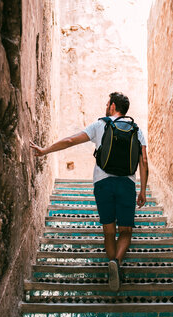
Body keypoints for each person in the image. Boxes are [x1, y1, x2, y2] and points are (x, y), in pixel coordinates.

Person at [30, 92, 148, 291]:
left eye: (107, 103)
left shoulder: (99, 125)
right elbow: (143, 161)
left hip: (103, 184)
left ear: (112, 106)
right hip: (127, 183)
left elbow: (70, 141)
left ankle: (112, 265)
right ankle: (117, 264)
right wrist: (142, 190)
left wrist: (45, 150)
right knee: (126, 231)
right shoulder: (137, 130)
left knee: (109, 232)